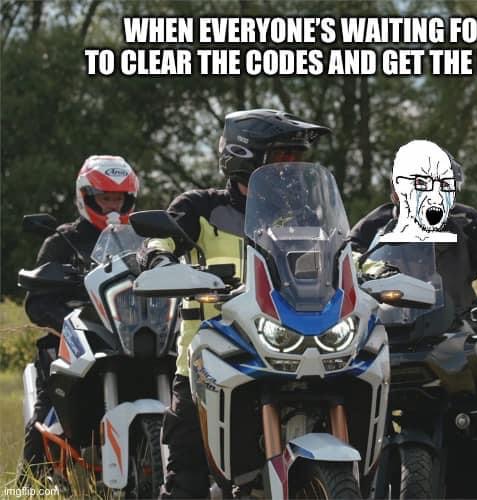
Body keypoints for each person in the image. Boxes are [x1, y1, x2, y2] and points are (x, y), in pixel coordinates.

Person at [138, 109, 331, 499]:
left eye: (297, 158)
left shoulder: (303, 215)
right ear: (245, 157)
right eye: (283, 156)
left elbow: (339, 254)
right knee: (187, 475)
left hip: (287, 351)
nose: (291, 167)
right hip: (210, 360)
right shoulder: (200, 208)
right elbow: (161, 239)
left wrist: (372, 267)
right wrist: (158, 258)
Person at [349, 141, 477, 384]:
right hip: (388, 329)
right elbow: (346, 262)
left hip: (462, 326)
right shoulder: (373, 225)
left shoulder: (465, 219)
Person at [21, 156, 139, 478]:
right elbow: (37, 302)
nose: (112, 206)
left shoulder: (140, 240)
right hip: (74, 341)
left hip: (131, 337)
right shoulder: (62, 240)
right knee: (47, 414)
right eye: (105, 198)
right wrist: (70, 324)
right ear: (86, 197)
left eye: (118, 199)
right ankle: (29, 483)